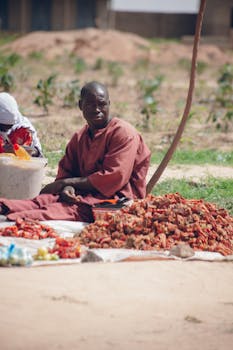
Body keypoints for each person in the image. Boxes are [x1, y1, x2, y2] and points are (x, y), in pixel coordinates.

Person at [0, 81, 151, 222]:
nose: (97, 109)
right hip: (82, 195)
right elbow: (67, 172)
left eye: (102, 104)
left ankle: (15, 219)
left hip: (116, 201)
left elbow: (114, 177)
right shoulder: (80, 137)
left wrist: (67, 183)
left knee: (52, 212)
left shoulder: (123, 133)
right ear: (80, 105)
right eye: (91, 104)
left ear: (109, 104)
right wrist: (67, 188)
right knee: (42, 200)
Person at [0, 92, 43, 157]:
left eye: (9, 126)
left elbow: (38, 155)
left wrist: (25, 151)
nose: (6, 130)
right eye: (3, 126)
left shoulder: (23, 126)